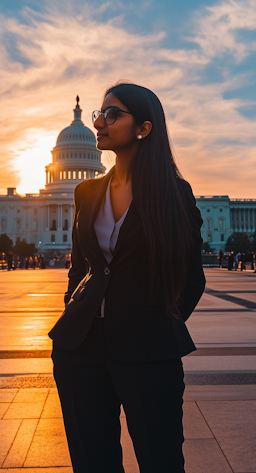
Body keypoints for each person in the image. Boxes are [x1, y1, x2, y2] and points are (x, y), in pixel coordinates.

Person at [49, 84, 205, 472]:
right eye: (98, 115)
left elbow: (191, 277)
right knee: (92, 463)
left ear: (144, 128)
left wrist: (156, 322)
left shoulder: (173, 193)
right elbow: (80, 269)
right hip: (80, 351)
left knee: (161, 460)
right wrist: (75, 314)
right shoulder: (86, 191)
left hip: (148, 347)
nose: (100, 122)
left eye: (113, 114)